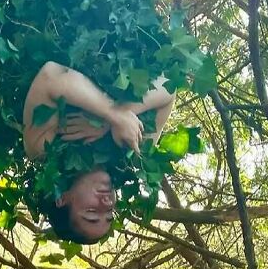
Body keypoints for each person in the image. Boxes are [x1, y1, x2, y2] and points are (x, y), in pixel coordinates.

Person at [22, 61, 176, 245]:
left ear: (62, 199)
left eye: (92, 212)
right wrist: (117, 119)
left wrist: (110, 114)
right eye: (110, 213)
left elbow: (51, 75)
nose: (107, 203)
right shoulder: (132, 153)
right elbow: (169, 86)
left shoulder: (42, 149)